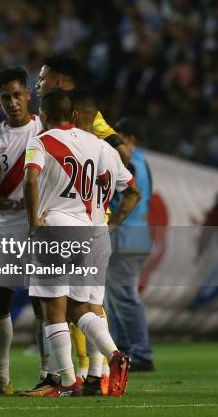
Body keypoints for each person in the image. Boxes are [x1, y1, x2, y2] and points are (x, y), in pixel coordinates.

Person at [23, 89, 130, 397]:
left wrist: (33, 224)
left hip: (55, 227)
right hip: (88, 231)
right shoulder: (97, 144)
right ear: (73, 116)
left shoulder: (41, 141)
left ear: (43, 116)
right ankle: (113, 354)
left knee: (52, 309)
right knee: (80, 307)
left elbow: (31, 178)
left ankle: (69, 383)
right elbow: (126, 183)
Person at [0, 67, 43, 395]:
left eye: (17, 95)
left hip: (41, 227)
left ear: (28, 94)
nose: (12, 103)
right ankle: (1, 377)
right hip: (3, 228)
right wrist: (9, 204)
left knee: (46, 302)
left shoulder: (45, 130)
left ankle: (50, 373)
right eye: (5, 98)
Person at [72, 92, 141, 395]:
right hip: (101, 232)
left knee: (69, 306)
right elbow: (133, 192)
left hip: (74, 232)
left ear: (74, 116)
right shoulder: (109, 152)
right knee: (96, 305)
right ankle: (96, 378)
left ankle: (112, 357)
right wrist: (113, 223)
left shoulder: (68, 147)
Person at [105, 118, 155, 372]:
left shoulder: (130, 164)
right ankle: (126, 348)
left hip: (125, 238)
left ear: (132, 139)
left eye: (120, 137)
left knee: (124, 298)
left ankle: (140, 352)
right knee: (116, 298)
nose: (115, 143)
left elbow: (124, 200)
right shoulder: (144, 160)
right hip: (137, 236)